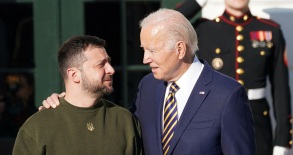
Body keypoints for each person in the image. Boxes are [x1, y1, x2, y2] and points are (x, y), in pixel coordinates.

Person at [41, 9, 256, 155]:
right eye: (144, 50)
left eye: (152, 50)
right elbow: (118, 126)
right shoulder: (149, 86)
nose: (145, 59)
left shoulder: (227, 95)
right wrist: (67, 103)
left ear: (180, 49)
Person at [175, 0, 293, 155]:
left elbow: (281, 89)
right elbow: (170, 22)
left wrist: (282, 141)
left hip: (256, 123)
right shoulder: (204, 29)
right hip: (213, 120)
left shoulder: (270, 30)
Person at [13, 35, 142, 155]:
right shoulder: (36, 128)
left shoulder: (124, 120)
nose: (111, 70)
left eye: (109, 63)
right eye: (101, 64)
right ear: (74, 75)